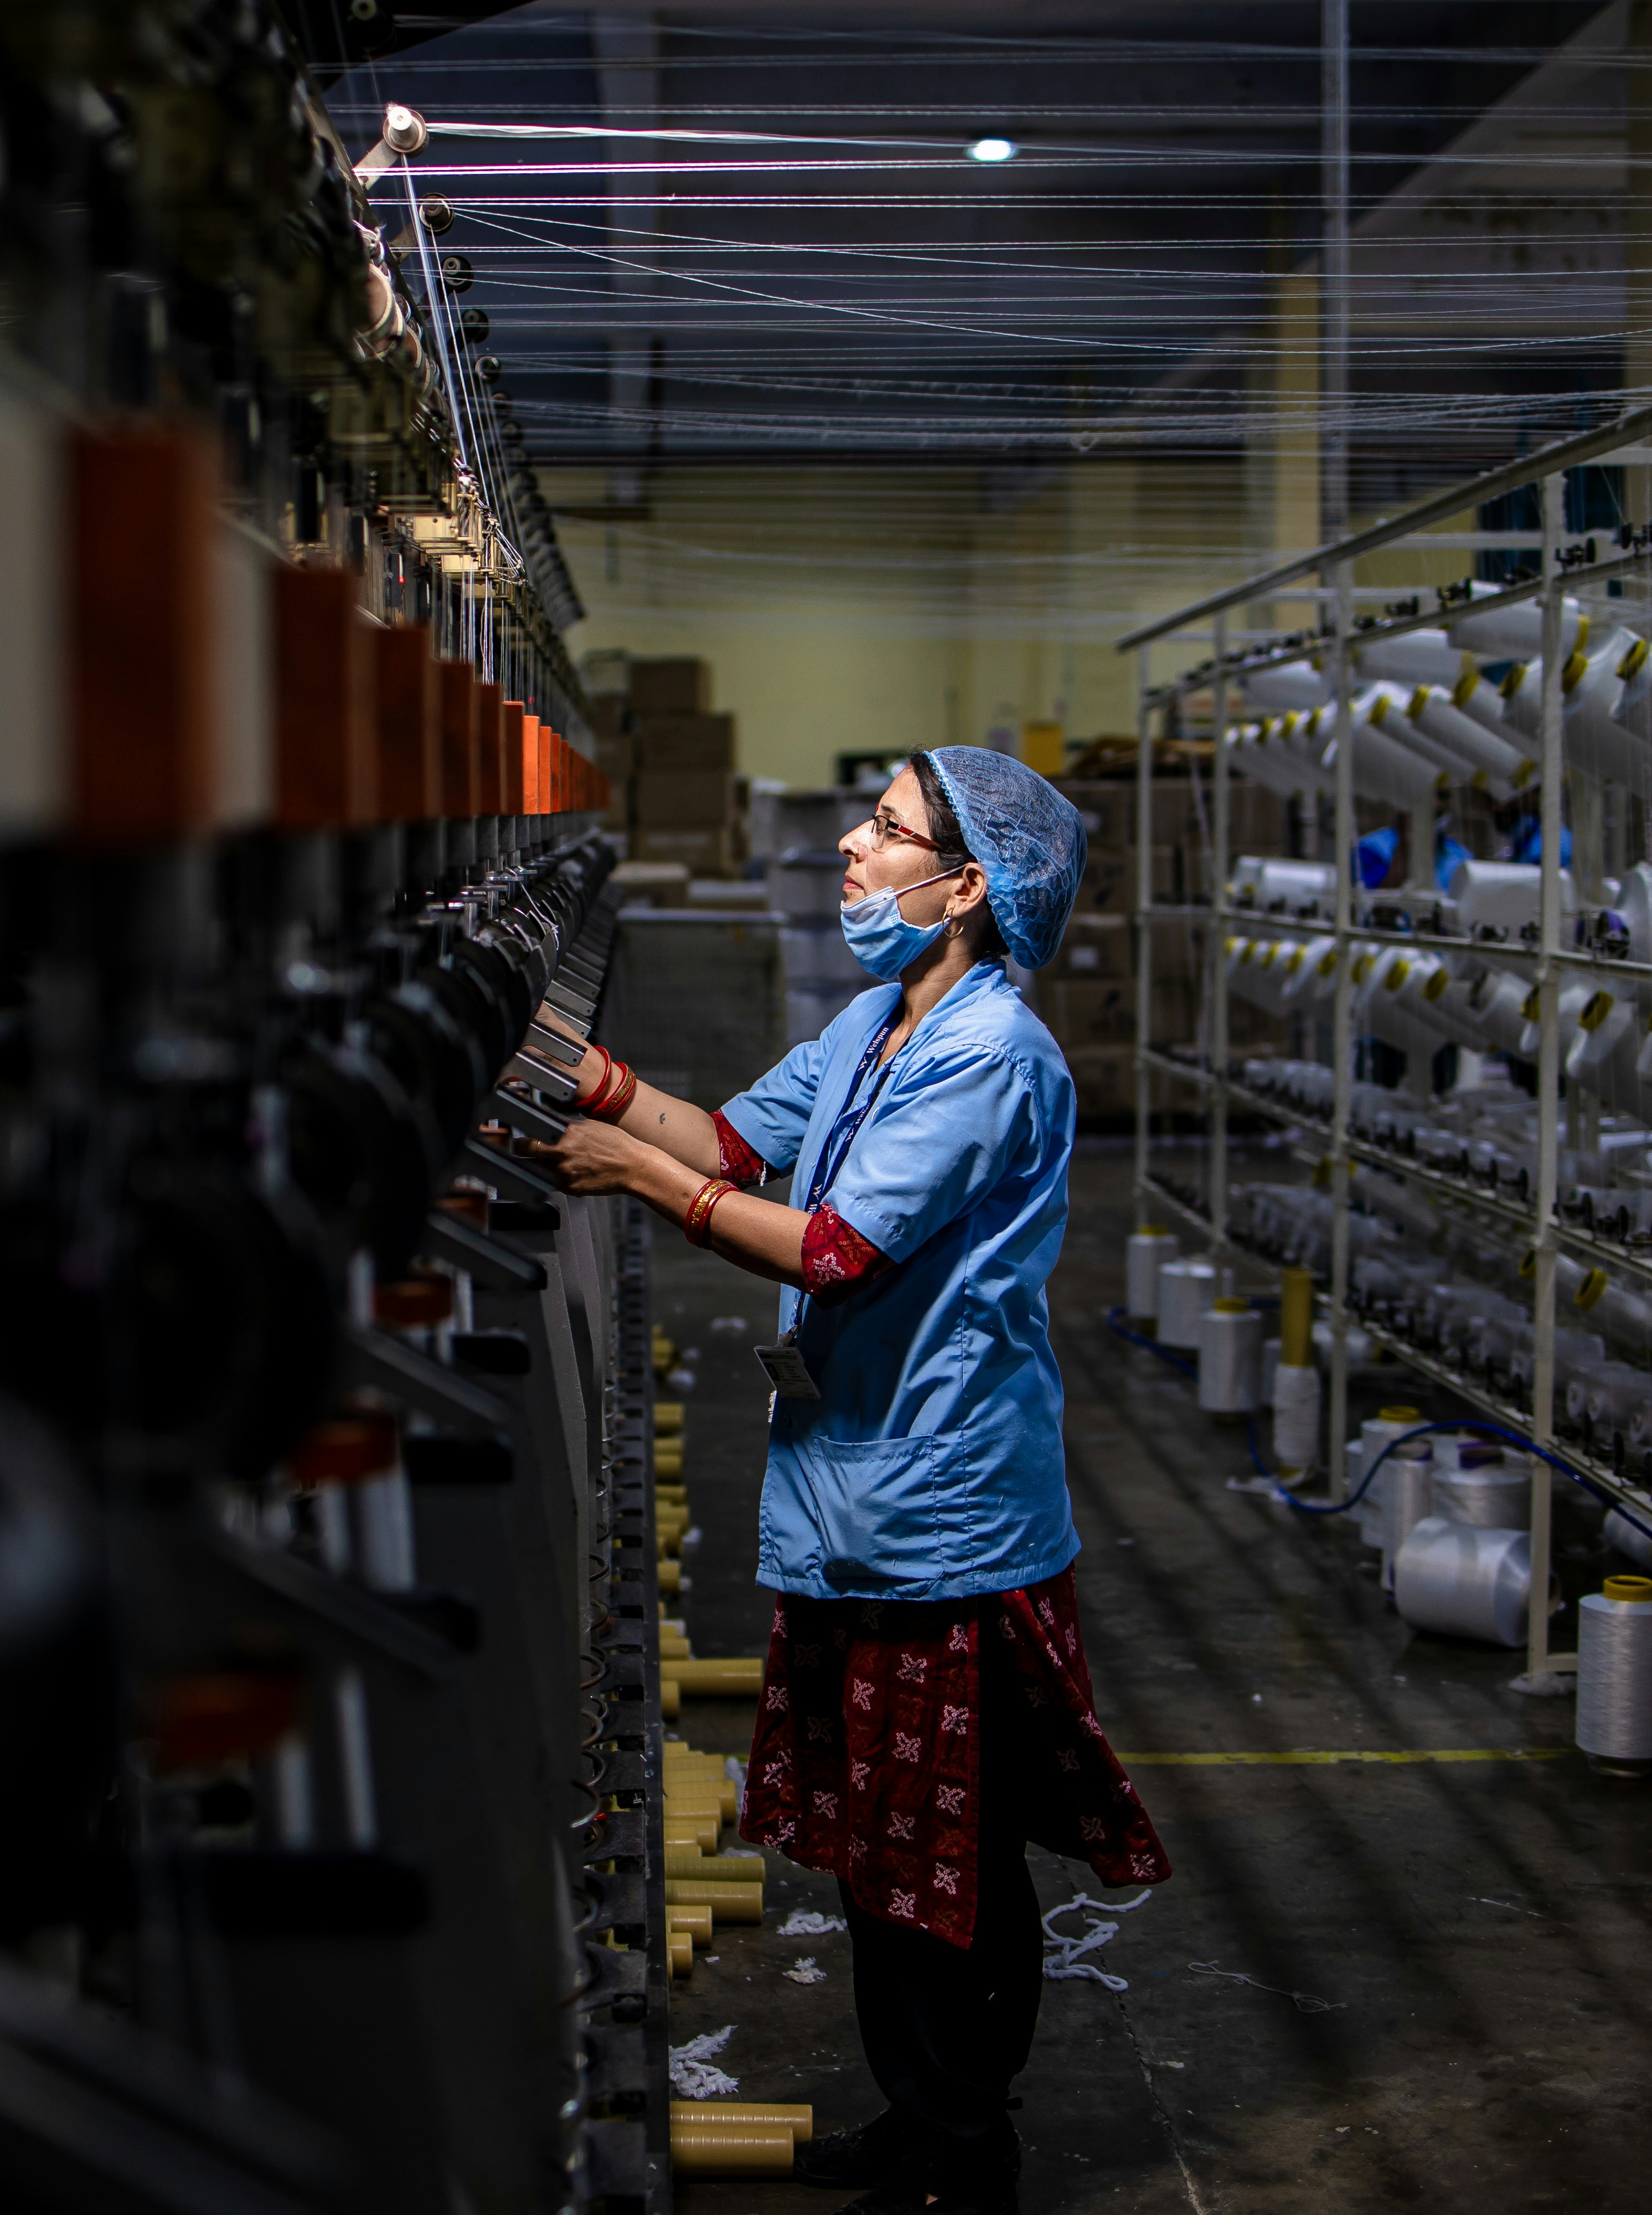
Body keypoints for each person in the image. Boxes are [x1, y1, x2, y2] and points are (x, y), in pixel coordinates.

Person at [524, 748, 1169, 2214]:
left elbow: (830, 1248)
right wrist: (569, 1066)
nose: (850, 848)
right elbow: (738, 1141)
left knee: (945, 1852)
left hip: (944, 1517)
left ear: (966, 886)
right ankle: (919, 2115)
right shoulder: (877, 1019)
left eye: (886, 831)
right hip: (854, 1500)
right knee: (887, 1841)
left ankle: (964, 2143)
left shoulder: (996, 1058)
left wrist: (637, 1180)